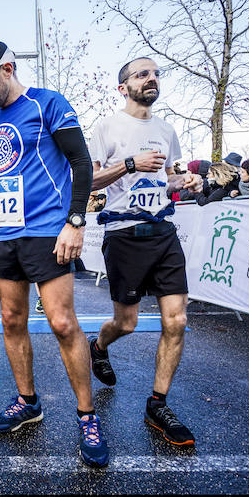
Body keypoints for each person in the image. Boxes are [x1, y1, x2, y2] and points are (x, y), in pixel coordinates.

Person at [0, 40, 108, 467]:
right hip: (5, 233)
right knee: (11, 319)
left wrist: (75, 221)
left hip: (48, 230)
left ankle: (86, 415)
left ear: (6, 69)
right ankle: (28, 401)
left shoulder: (48, 104)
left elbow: (81, 162)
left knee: (62, 323)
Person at [88, 56, 203, 448]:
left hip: (163, 232)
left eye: (155, 74)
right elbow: (88, 179)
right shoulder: (106, 127)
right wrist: (130, 164)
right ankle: (99, 346)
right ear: (123, 88)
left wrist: (185, 181)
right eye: (142, 74)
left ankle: (158, 403)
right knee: (127, 323)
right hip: (122, 233)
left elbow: (168, 178)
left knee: (176, 320)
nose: (151, 79)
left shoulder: (168, 130)